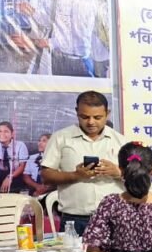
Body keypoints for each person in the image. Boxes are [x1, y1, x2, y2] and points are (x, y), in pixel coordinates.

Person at [41, 91, 124, 235]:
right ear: (76, 112)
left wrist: (118, 172)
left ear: (107, 114)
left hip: (114, 218)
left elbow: (139, 178)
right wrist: (76, 175)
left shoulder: (121, 141)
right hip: (74, 220)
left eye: (97, 117)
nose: (91, 122)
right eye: (85, 117)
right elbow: (46, 176)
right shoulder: (61, 138)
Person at [17, 0, 96, 76]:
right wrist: (32, 11)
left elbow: (73, 39)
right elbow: (54, 22)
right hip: (61, 59)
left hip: (75, 63)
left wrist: (35, 42)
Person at [0, 122, 29, 193]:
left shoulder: (20, 145)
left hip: (15, 174)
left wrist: (9, 177)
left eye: (6, 131)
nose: (2, 134)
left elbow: (22, 166)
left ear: (12, 134)